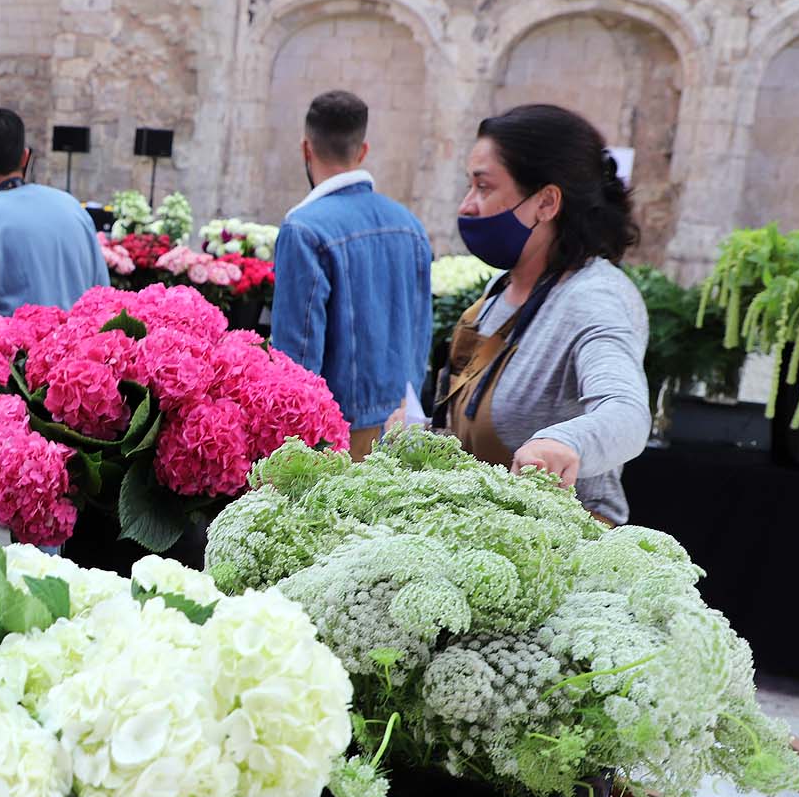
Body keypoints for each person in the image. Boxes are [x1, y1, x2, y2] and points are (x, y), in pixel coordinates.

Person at [432, 103, 650, 524]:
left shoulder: (594, 299)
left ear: (547, 202)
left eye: (483, 187)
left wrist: (564, 443)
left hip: (562, 550)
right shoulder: (500, 291)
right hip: (476, 536)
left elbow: (627, 412)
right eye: (469, 186)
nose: (466, 206)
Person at [271, 90, 433, 460]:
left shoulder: (303, 229)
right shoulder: (410, 226)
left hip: (335, 437)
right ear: (362, 151)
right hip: (403, 426)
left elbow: (296, 358)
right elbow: (422, 332)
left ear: (305, 149)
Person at [0, 107, 109, 341]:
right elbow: (103, 297)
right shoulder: (73, 207)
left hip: (17, 371)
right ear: (25, 157)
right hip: (79, 363)